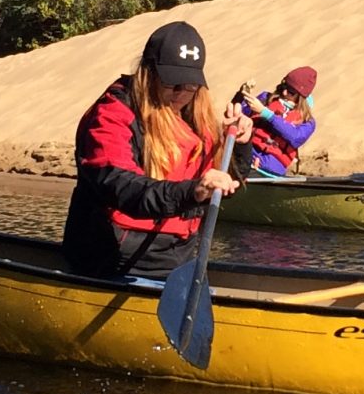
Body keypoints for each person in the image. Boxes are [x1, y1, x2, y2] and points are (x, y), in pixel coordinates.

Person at [62, 19, 247, 280]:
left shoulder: (196, 119)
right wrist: (191, 191)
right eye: (173, 84)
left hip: (175, 262)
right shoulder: (112, 114)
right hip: (112, 262)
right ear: (149, 74)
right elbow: (120, 186)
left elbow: (225, 186)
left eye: (190, 86)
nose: (182, 94)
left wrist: (238, 145)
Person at [234, 66, 318, 178]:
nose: (284, 92)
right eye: (284, 86)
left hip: (269, 171)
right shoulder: (265, 98)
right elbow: (236, 116)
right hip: (244, 159)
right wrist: (242, 95)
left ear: (301, 97)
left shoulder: (308, 122)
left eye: (291, 92)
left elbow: (296, 138)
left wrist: (266, 114)